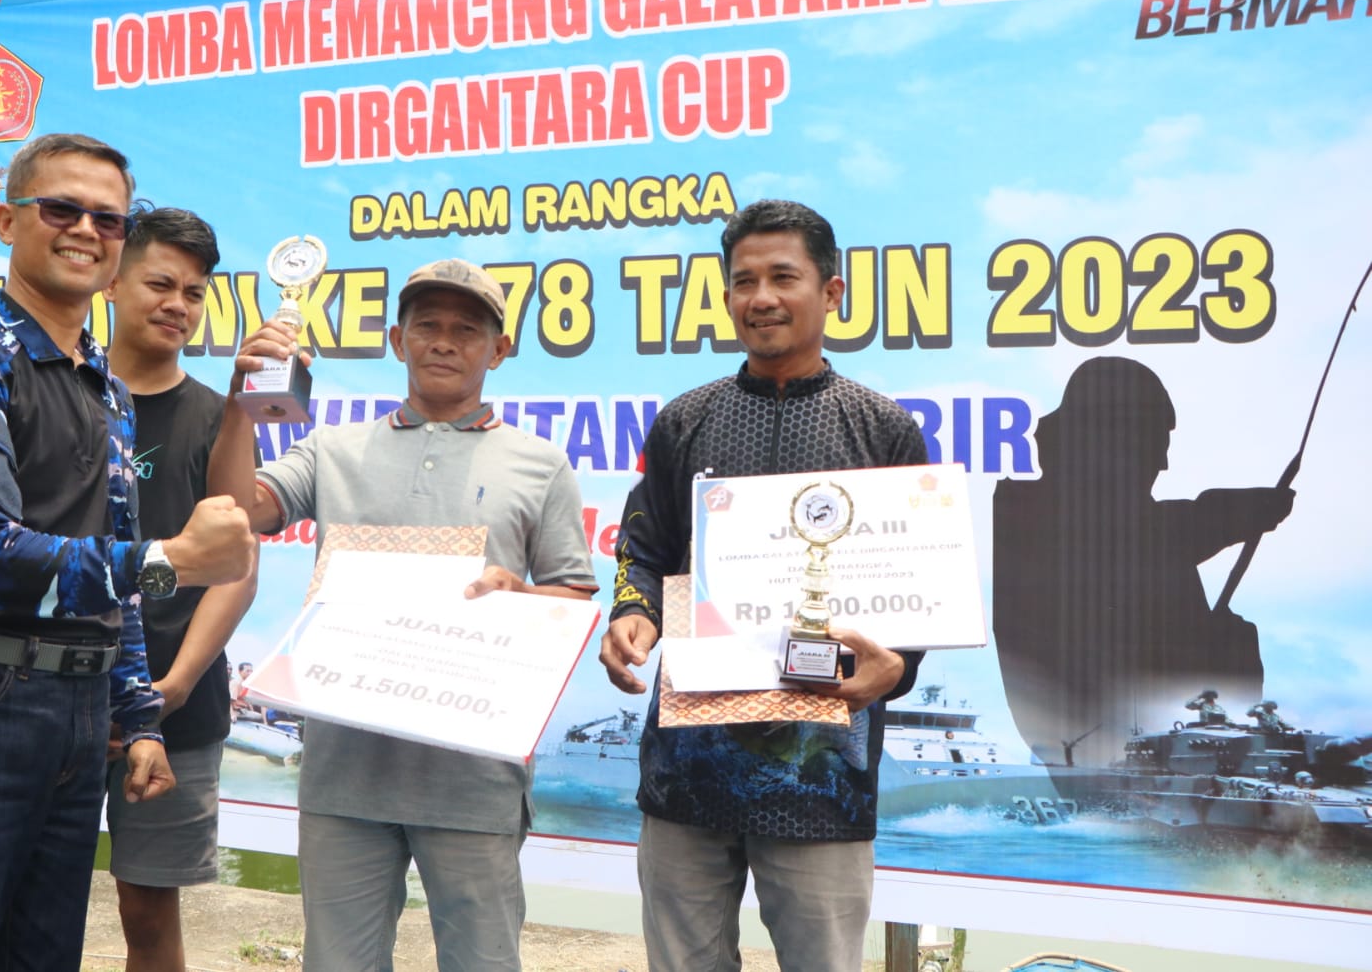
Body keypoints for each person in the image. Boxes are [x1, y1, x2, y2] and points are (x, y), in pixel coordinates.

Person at [0, 133, 254, 971]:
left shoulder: (104, 388)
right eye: (62, 208)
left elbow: (112, 576)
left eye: (108, 218)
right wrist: (170, 558)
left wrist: (138, 719)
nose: (86, 230)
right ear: (7, 221)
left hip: (77, 714)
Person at [227, 258, 598, 972]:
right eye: (426, 325)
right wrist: (244, 402)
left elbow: (574, 600)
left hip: (474, 781)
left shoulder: (540, 463)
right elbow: (239, 509)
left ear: (499, 349)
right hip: (344, 775)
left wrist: (517, 598)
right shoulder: (331, 449)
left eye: (467, 330)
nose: (444, 342)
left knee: (483, 963)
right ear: (397, 340)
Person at [598, 199, 927, 972]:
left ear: (831, 292)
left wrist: (898, 666)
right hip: (687, 763)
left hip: (822, 771)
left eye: (783, 277)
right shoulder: (684, 421)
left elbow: (916, 583)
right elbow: (643, 549)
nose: (761, 298)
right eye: (743, 281)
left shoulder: (882, 429)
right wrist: (634, 613)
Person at [990, 356, 1295, 765]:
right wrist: (1240, 512)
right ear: (1112, 438)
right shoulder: (1034, 507)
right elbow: (1132, 532)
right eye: (1154, 445)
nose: (1163, 464)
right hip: (1098, 737)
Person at [103, 206, 260, 972]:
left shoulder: (215, 416)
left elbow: (237, 566)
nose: (177, 304)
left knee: (149, 915)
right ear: (111, 279)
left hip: (178, 711)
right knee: (27, 896)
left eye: (194, 293)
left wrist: (175, 685)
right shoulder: (59, 396)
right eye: (160, 284)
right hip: (53, 697)